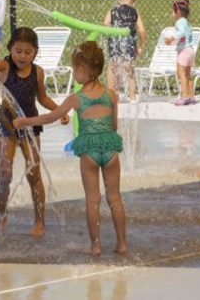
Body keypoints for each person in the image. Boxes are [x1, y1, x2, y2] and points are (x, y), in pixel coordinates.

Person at [15, 42, 127, 256]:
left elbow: (49, 117)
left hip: (89, 153)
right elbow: (113, 126)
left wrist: (24, 122)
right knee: (115, 198)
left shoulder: (76, 98)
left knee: (92, 200)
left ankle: (95, 245)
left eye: (75, 69)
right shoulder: (111, 95)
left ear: (83, 71)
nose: (73, 72)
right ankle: (122, 243)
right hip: (110, 149)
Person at [0, 27, 68, 236]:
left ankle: (40, 220)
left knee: (34, 173)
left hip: (30, 124)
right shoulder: (5, 67)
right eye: (18, 51)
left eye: (28, 52)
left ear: (36, 52)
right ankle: (2, 214)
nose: (22, 56)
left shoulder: (38, 72)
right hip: (6, 126)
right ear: (10, 49)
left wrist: (59, 110)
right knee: (5, 172)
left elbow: (42, 98)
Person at [102, 0, 146, 102]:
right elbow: (142, 30)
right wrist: (141, 46)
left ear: (119, 1)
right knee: (129, 67)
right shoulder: (134, 12)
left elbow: (105, 24)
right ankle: (132, 97)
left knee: (112, 67)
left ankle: (113, 96)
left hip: (115, 40)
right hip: (129, 41)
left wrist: (114, 31)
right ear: (133, 3)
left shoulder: (113, 11)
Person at [164, 0, 196, 105]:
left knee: (180, 73)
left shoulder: (179, 22)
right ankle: (191, 96)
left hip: (184, 51)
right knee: (187, 74)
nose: (171, 14)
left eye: (172, 11)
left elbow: (181, 33)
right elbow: (184, 36)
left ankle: (184, 96)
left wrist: (170, 39)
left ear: (178, 12)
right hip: (190, 50)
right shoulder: (187, 22)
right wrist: (173, 42)